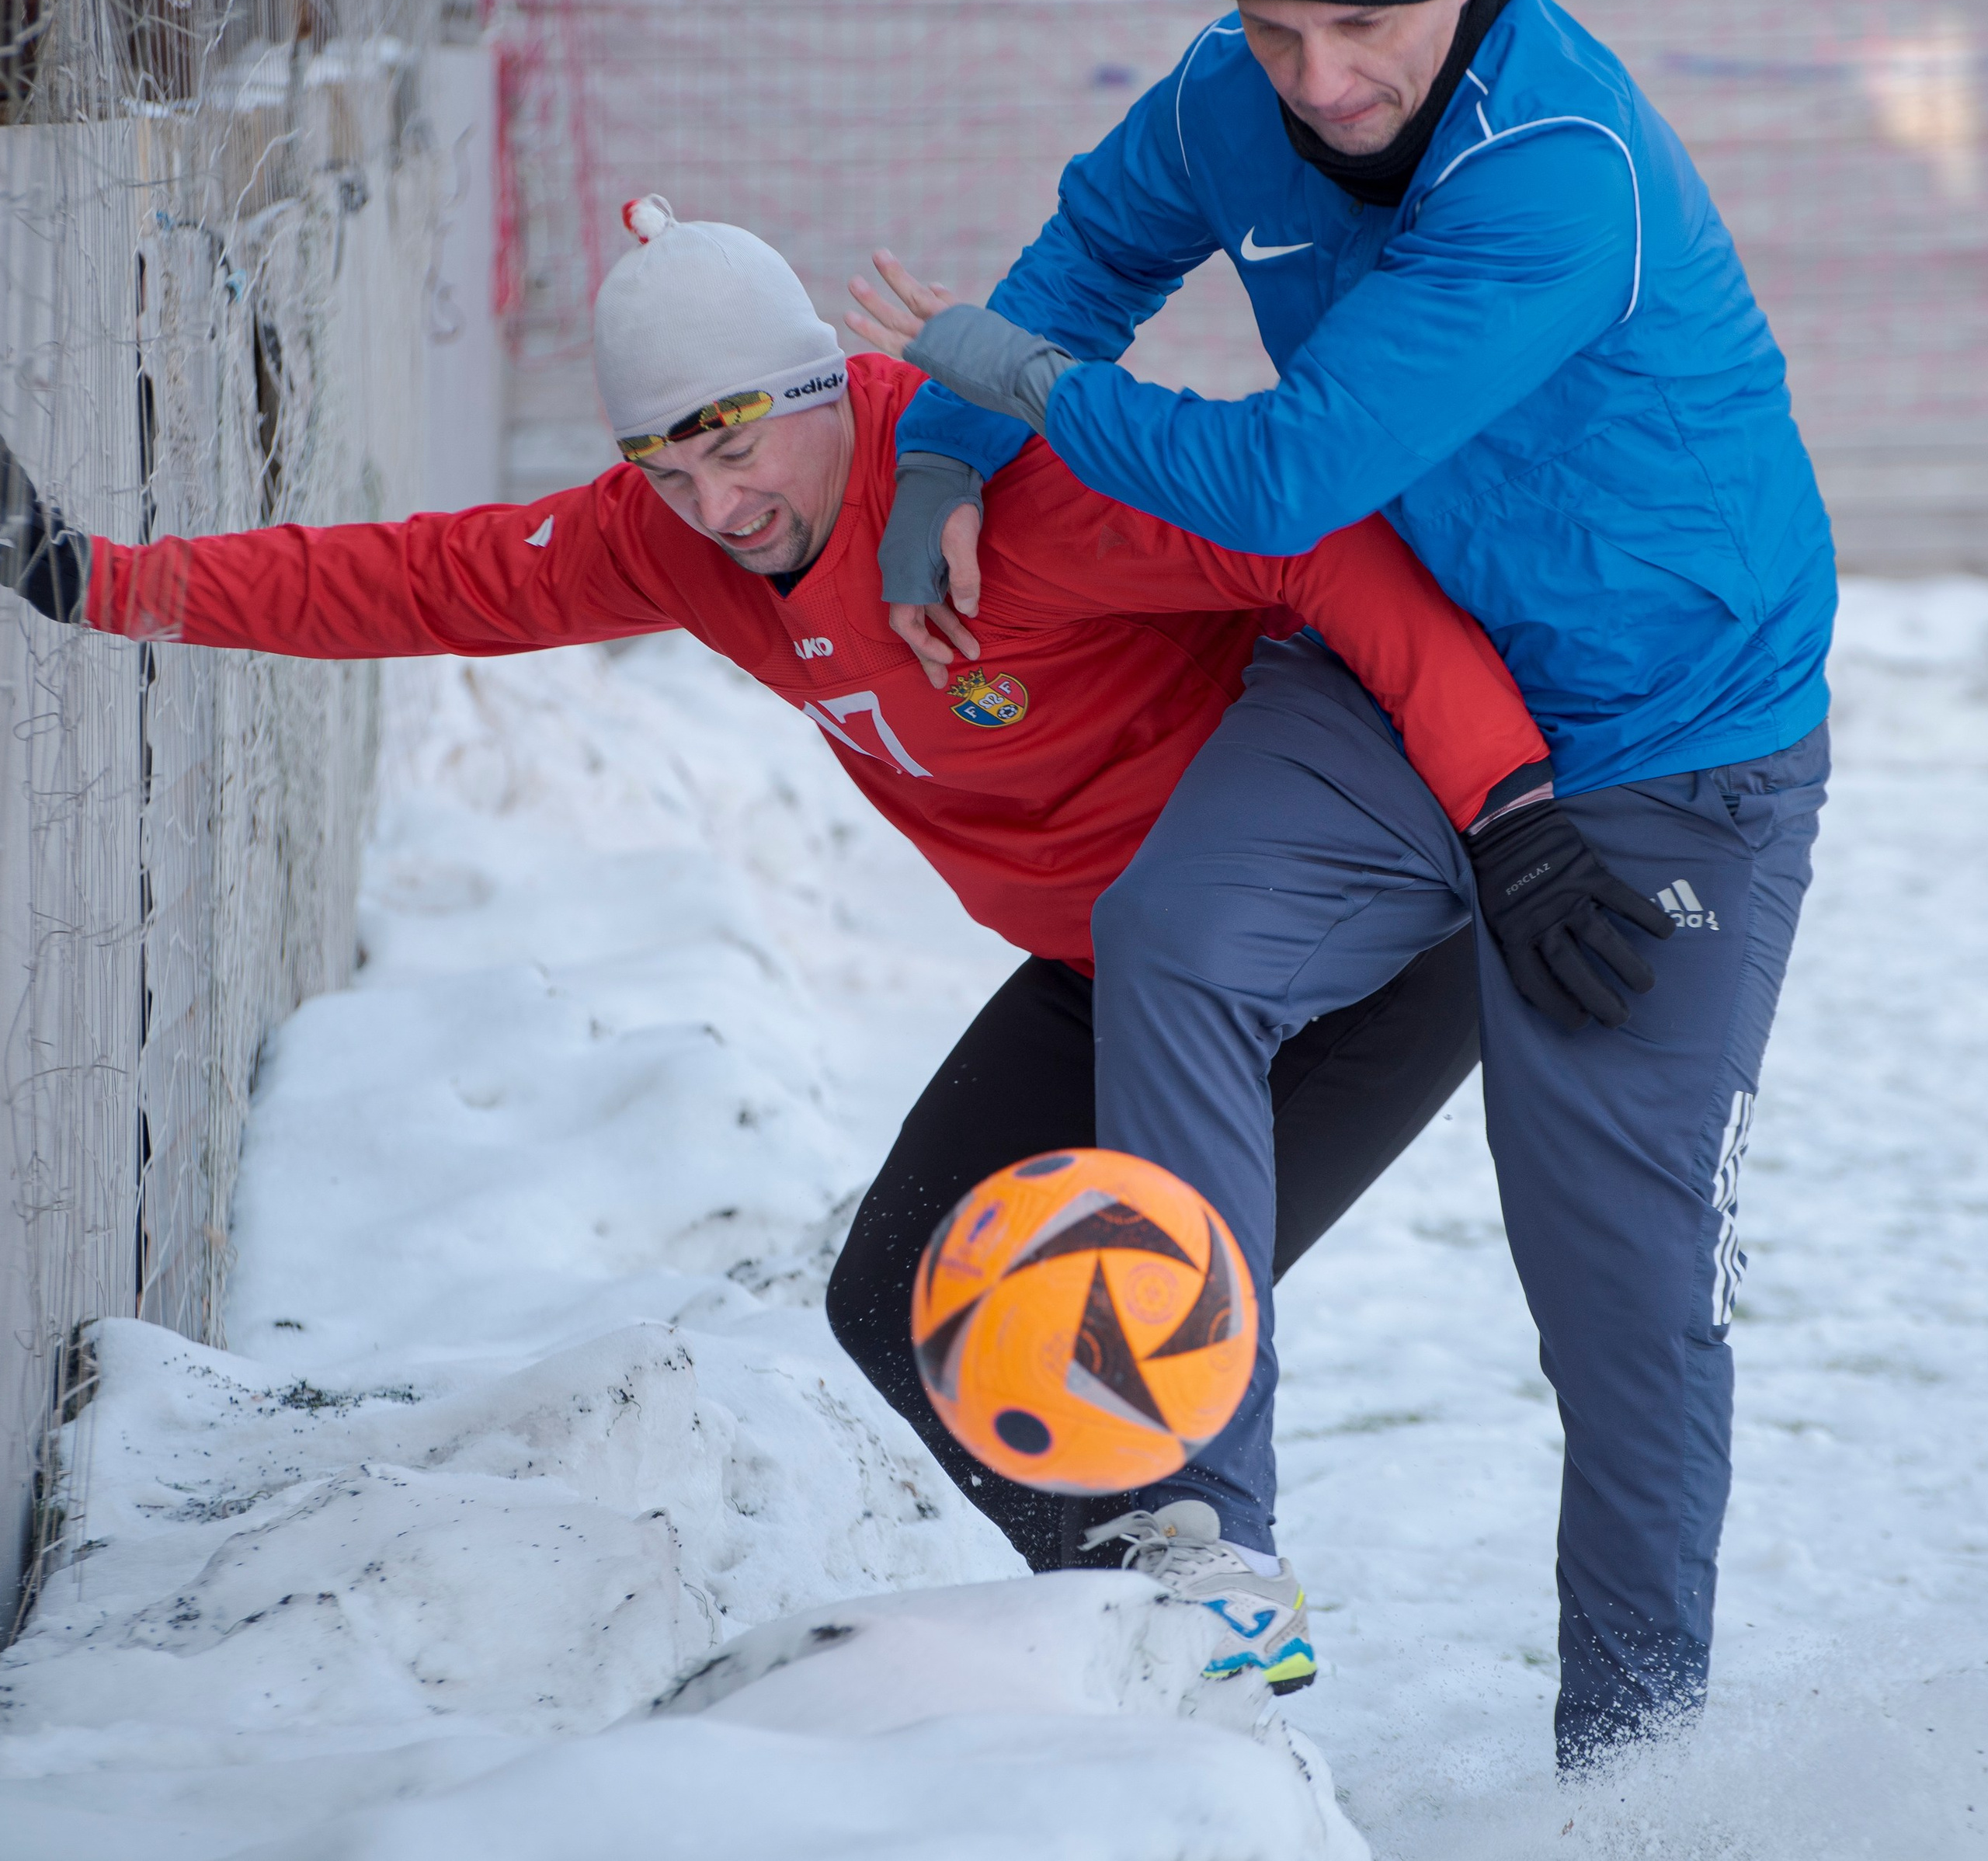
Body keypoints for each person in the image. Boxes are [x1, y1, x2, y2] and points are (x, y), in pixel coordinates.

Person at [0, 195, 1552, 1697]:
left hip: (1346, 964)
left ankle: (1219, 1595)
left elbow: (1324, 550)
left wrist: (1518, 807)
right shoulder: (683, 538)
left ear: (824, 387)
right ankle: (1129, 1621)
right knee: (906, 1301)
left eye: (739, 451)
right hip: (1106, 967)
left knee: (1120, 1308)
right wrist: (102, 578)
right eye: (669, 476)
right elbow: (426, 574)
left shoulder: (1008, 484)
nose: (718, 510)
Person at [848, 0, 1834, 1764]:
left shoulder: (1555, 167)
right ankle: (1206, 1535)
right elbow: (1085, 254)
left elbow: (1284, 472)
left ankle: (1632, 1772)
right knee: (1177, 935)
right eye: (1281, 34)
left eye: (1361, 33)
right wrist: (944, 457)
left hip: (1670, 741)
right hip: (1407, 668)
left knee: (1615, 1292)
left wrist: (1008, 382)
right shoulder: (1235, 88)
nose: (1319, 82)